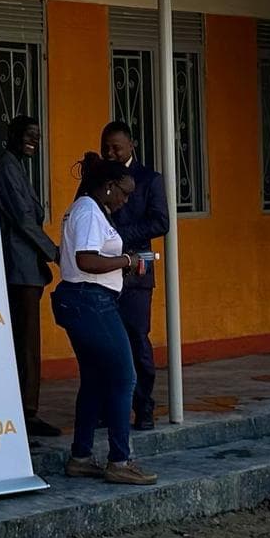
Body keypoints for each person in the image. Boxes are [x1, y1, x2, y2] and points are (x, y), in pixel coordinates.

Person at [52, 152, 158, 486]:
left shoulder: (88, 209)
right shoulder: (87, 212)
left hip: (86, 301)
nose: (126, 200)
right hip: (91, 302)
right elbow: (86, 259)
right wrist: (125, 260)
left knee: (96, 380)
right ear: (108, 186)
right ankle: (119, 460)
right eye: (124, 193)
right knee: (124, 378)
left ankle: (81, 457)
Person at [0, 115, 62, 437]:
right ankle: (26, 411)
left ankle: (24, 408)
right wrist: (56, 253)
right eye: (28, 135)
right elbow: (23, 219)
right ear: (13, 136)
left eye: (37, 135)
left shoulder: (17, 167)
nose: (34, 141)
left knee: (26, 343)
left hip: (26, 267)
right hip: (18, 268)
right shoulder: (7, 167)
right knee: (26, 344)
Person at [100, 120, 169, 430]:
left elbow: (160, 222)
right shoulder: (97, 176)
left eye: (116, 147)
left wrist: (120, 235)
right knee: (103, 343)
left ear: (131, 145)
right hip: (100, 271)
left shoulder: (149, 179)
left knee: (137, 339)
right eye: (106, 148)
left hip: (135, 273)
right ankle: (106, 408)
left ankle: (144, 408)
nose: (111, 153)